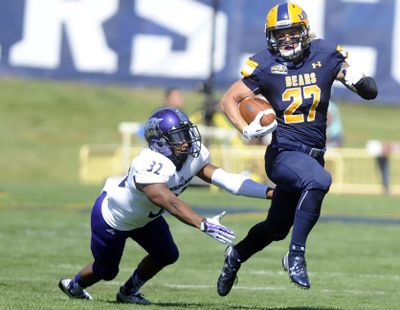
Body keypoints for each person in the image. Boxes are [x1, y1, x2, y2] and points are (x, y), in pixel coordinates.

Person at [216, 1, 378, 295]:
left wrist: (359, 81)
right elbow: (229, 99)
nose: (287, 38)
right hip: (283, 153)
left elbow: (369, 91)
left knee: (276, 229)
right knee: (320, 181)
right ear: (271, 37)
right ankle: (296, 255)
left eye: (292, 31)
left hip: (314, 155)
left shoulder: (325, 54)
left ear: (304, 31)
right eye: (280, 34)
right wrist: (244, 127)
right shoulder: (265, 64)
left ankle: (235, 255)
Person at [58, 108, 273, 305]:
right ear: (159, 142)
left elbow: (225, 179)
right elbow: (168, 200)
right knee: (106, 271)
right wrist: (203, 223)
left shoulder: (192, 156)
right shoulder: (148, 163)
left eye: (187, 133)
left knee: (167, 254)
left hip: (145, 218)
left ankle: (128, 292)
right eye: (179, 136)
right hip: (114, 219)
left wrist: (269, 192)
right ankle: (74, 285)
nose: (187, 142)